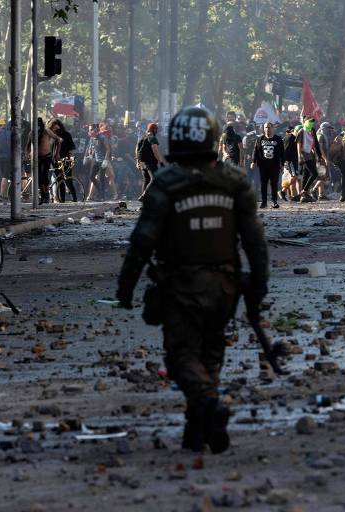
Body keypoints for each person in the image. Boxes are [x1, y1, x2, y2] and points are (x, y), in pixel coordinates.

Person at [116, 106, 269, 454]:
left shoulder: (167, 183)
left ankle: (208, 405)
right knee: (211, 355)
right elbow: (255, 242)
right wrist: (257, 287)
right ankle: (197, 429)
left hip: (180, 286)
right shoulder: (234, 181)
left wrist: (126, 287)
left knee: (181, 357)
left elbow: (143, 240)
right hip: (226, 286)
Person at [252, 121, 284, 208]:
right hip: (263, 165)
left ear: (273, 128)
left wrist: (283, 164)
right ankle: (264, 202)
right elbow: (256, 151)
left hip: (275, 165)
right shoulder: (260, 139)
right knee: (263, 183)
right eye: (266, 127)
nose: (267, 129)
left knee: (274, 183)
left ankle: (274, 201)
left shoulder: (278, 139)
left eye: (269, 127)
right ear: (263, 129)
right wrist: (253, 161)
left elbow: (282, 152)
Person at [295, 118, 325, 202]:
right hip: (304, 155)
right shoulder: (302, 131)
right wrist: (299, 156)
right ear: (305, 122)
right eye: (310, 122)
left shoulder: (311, 130)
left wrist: (318, 155)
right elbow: (298, 144)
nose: (311, 124)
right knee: (314, 174)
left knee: (306, 175)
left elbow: (315, 144)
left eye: (312, 122)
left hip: (311, 155)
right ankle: (304, 191)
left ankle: (304, 196)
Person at [50, 119, 78, 202]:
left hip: (65, 159)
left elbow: (71, 148)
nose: (54, 128)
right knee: (59, 180)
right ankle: (62, 199)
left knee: (68, 179)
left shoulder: (66, 135)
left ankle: (74, 198)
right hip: (55, 160)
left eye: (55, 126)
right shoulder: (51, 135)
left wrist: (71, 158)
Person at [135, 123, 166, 195]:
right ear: (154, 129)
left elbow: (137, 149)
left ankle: (144, 202)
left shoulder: (143, 138)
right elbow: (155, 150)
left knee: (146, 180)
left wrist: (137, 161)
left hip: (142, 162)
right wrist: (161, 162)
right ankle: (144, 196)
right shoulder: (152, 138)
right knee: (154, 179)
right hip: (150, 162)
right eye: (156, 129)